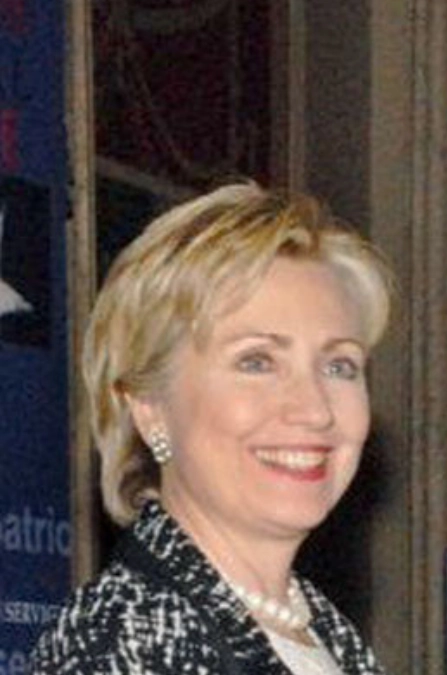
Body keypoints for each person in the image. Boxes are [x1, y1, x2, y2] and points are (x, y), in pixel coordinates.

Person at [31, 183, 392, 674]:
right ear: (149, 404)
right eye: (257, 361)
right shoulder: (118, 645)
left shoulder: (326, 635)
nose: (315, 410)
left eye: (339, 366)